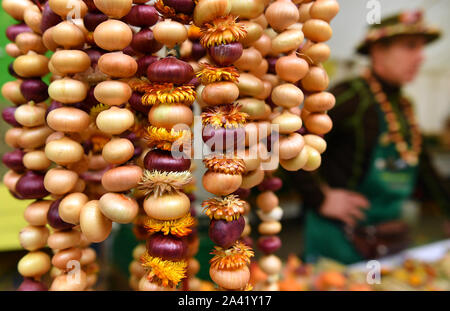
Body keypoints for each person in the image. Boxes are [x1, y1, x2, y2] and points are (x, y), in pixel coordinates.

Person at [293, 10, 450, 264]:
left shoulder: (404, 106)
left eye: (422, 48)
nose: (421, 57)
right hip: (338, 240)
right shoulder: (349, 96)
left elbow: (424, 166)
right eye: (410, 46)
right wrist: (318, 197)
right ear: (377, 50)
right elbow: (290, 142)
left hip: (387, 238)